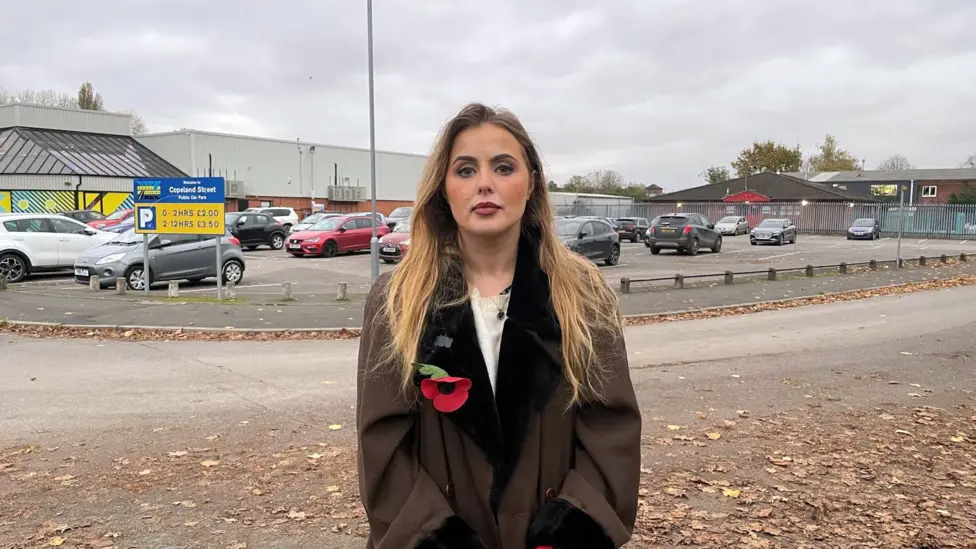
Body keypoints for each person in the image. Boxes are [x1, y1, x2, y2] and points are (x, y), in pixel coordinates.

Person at [356, 103, 641, 549]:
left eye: (503, 167)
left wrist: (570, 529)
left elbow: (611, 427)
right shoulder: (397, 299)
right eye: (465, 170)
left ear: (531, 184)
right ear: (443, 189)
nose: (484, 183)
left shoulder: (583, 293)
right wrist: (435, 536)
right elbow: (382, 442)